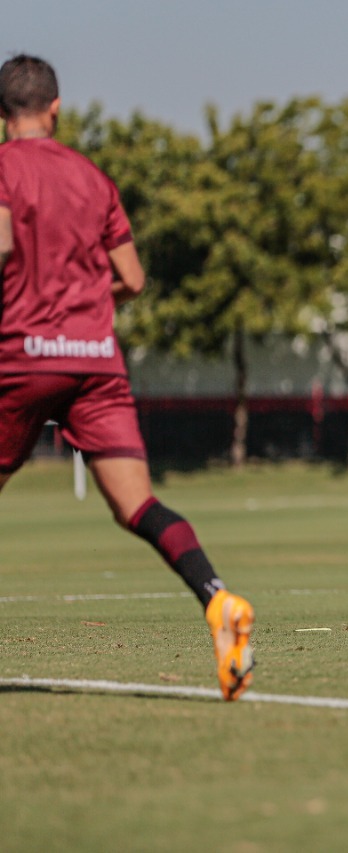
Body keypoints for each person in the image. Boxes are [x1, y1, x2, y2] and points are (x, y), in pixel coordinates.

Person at [0, 55, 254, 700]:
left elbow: (1, 247)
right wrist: (81, 294)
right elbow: (133, 278)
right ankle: (216, 597)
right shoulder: (93, 178)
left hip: (24, 357)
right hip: (95, 359)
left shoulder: (3, 169)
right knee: (139, 505)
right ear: (55, 108)